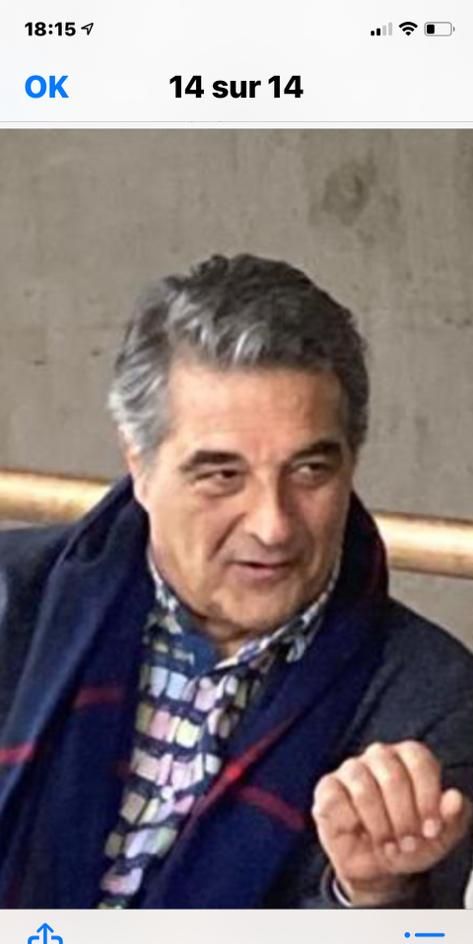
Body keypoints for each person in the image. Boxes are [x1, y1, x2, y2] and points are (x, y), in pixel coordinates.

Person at [0, 253, 472, 910]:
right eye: (222, 476)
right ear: (140, 467)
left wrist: (370, 895)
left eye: (309, 471)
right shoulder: (12, 601)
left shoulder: (428, 702)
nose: (273, 526)